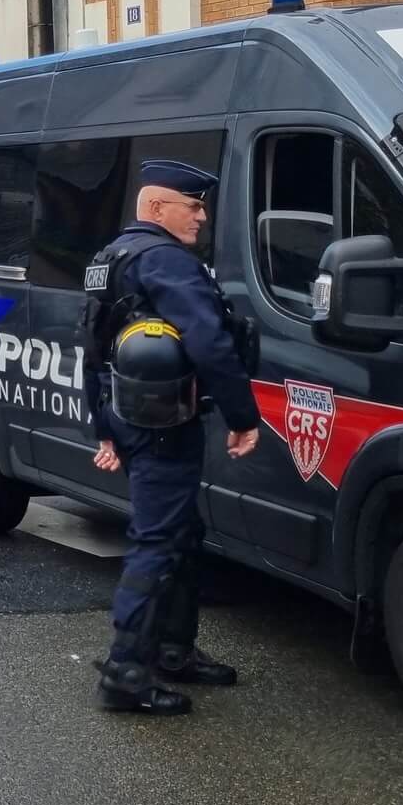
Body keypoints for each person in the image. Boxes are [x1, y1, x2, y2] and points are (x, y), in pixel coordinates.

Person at [80, 159, 260, 716]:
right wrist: (242, 416)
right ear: (158, 207)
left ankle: (175, 652)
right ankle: (126, 673)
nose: (202, 218)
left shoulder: (110, 258)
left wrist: (104, 427)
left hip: (134, 422)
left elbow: (90, 348)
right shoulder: (165, 261)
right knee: (158, 542)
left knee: (181, 533)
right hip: (163, 428)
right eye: (194, 205)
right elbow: (208, 340)